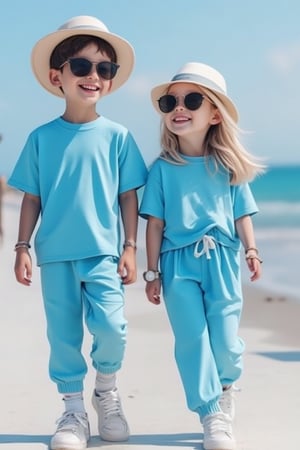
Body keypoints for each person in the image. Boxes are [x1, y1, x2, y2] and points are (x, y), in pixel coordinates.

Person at [8, 16, 147, 450]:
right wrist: (21, 246)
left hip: (104, 252)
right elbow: (32, 197)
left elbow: (128, 197)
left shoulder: (118, 137)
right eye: (82, 66)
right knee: (63, 334)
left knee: (112, 327)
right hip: (54, 254)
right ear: (57, 76)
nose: (93, 76)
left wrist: (130, 246)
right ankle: (72, 410)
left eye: (104, 69)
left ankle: (106, 390)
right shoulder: (40, 138)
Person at [140, 62, 264, 450]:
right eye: (170, 101)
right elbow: (155, 225)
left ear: (214, 114)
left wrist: (252, 250)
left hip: (223, 261)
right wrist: (152, 272)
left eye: (192, 99)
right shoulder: (161, 169)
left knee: (225, 343)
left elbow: (241, 212)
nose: (180, 107)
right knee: (192, 339)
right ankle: (211, 413)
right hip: (177, 264)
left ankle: (226, 386)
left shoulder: (227, 166)